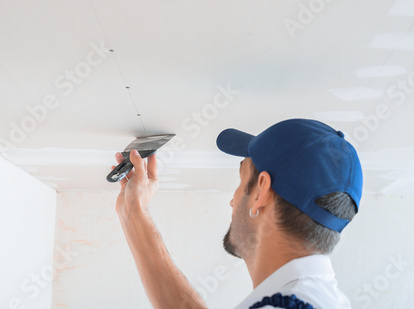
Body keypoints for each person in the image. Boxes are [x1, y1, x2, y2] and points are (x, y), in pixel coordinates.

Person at [113, 118, 363, 309]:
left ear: (260, 192)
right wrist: (133, 212)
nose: (233, 201)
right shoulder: (322, 300)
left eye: (241, 181)